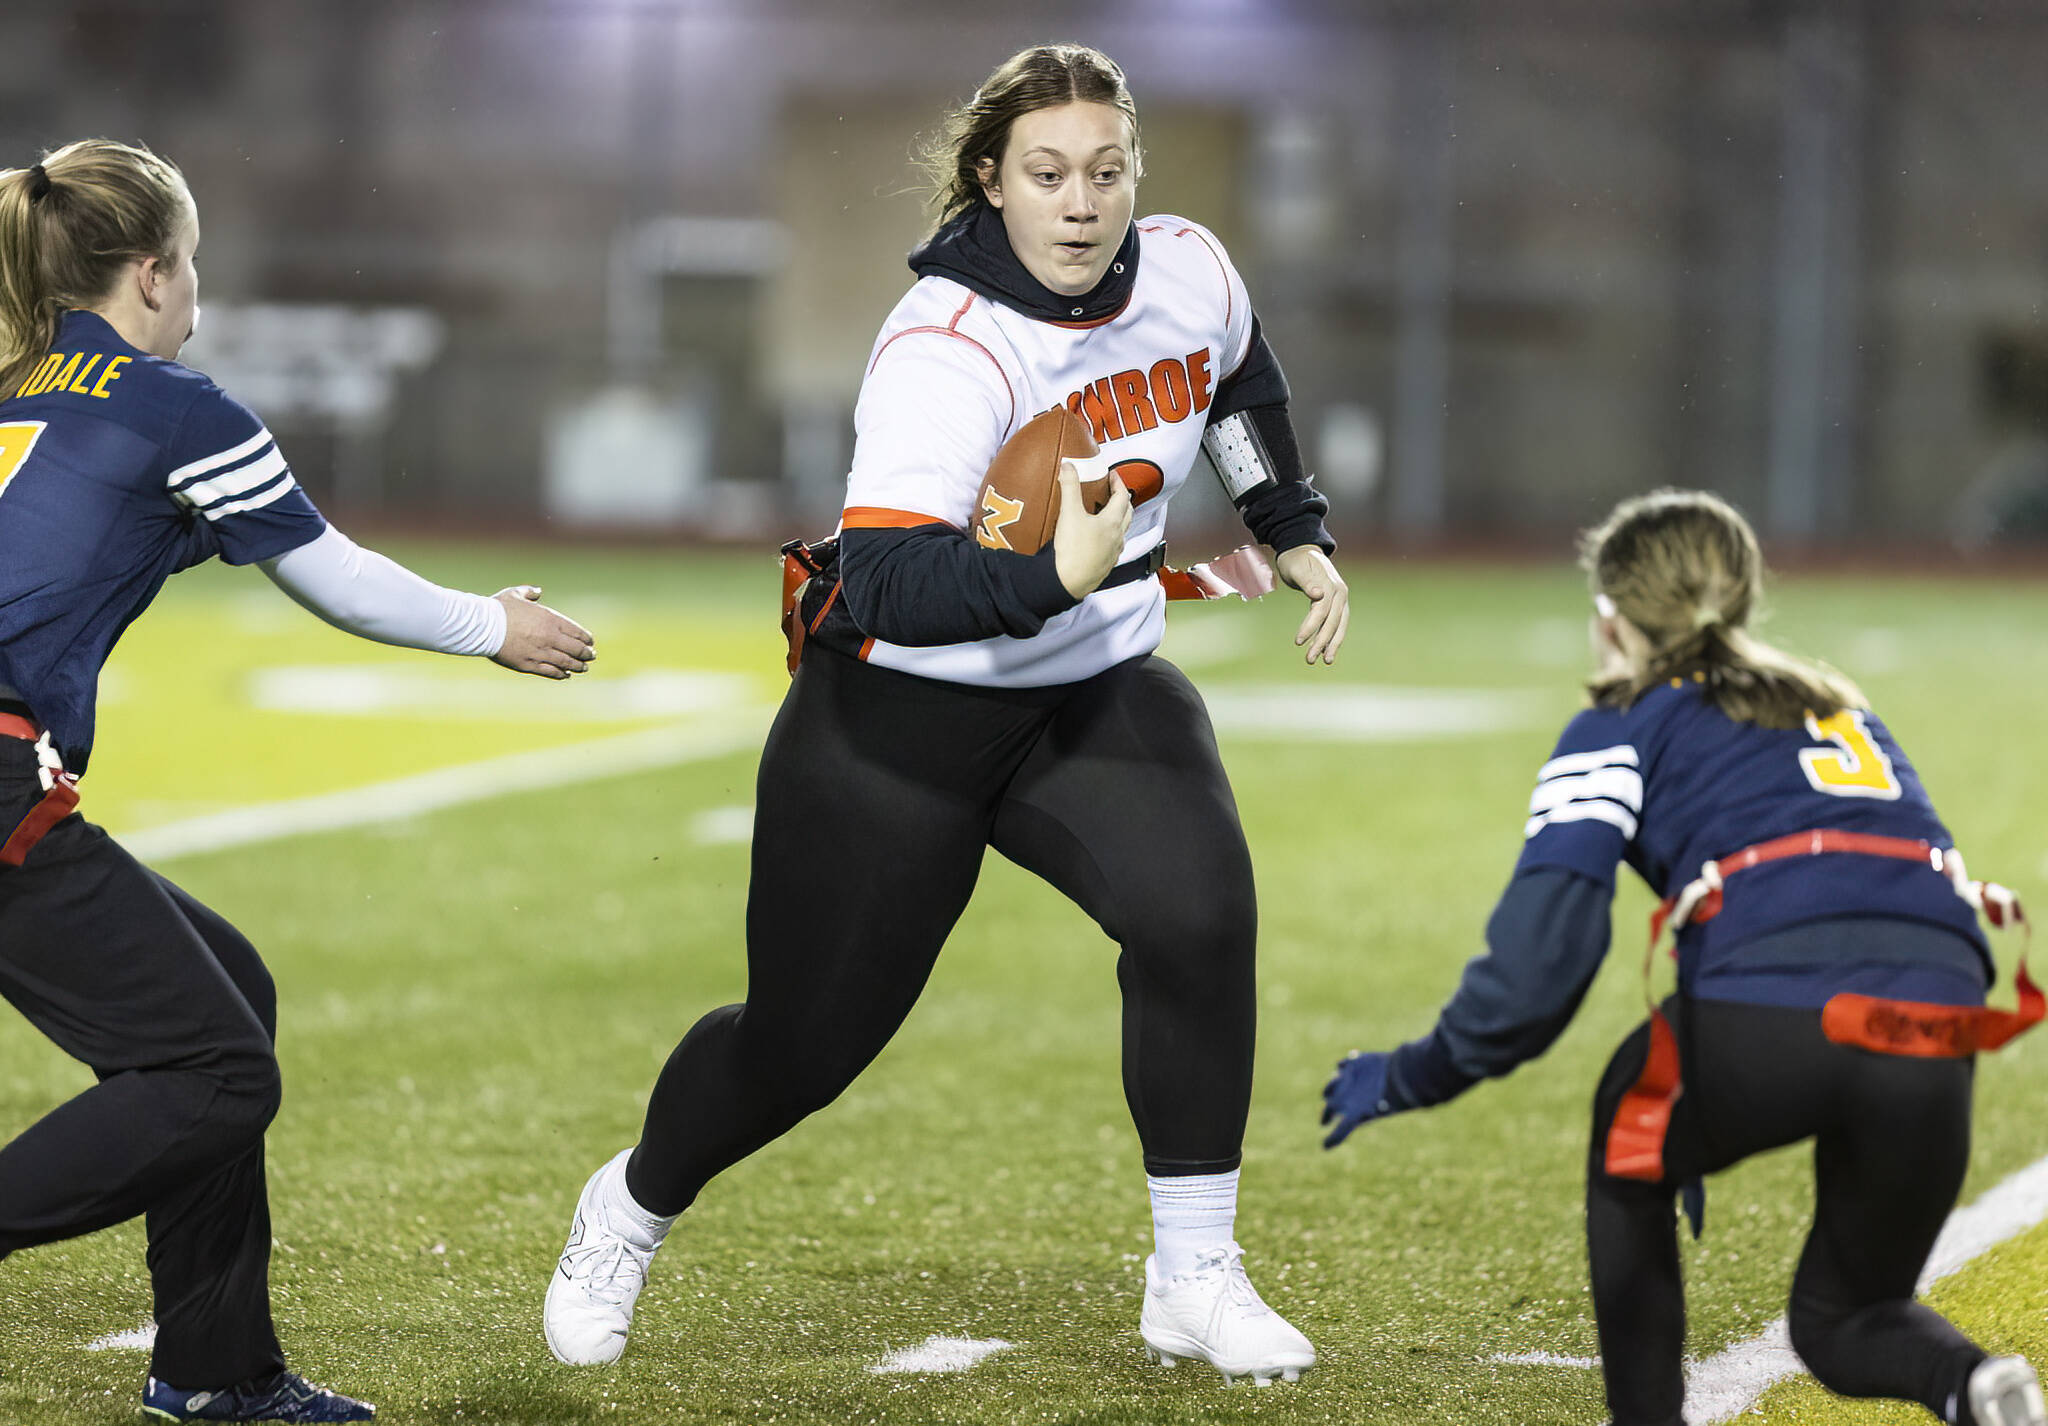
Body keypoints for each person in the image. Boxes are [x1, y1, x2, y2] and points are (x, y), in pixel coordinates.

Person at [545, 43, 1345, 1384]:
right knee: (802, 1047)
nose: (1081, 202)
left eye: (1106, 170)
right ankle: (626, 1205)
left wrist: (1290, 526)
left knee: (1199, 914)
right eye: (1047, 175)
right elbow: (895, 581)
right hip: (897, 723)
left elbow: (1242, 380)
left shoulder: (1193, 268)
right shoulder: (946, 342)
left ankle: (1192, 1272)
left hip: (1088, 692)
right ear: (994, 183)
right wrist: (1053, 572)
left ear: (1134, 174)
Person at [0, 140, 596, 1424]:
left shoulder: (12, 384)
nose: (196, 281)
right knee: (220, 1073)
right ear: (153, 273)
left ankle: (214, 1373)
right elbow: (333, 573)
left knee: (230, 998)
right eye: (194, 258)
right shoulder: (169, 406)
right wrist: (494, 626)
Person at [1320, 489, 2046, 1426]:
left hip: (1775, 1012)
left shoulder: (1620, 723)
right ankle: (1976, 1385)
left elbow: (1542, 968)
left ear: (1611, 622)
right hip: (1939, 1022)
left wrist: (1415, 1074)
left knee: (1628, 1129)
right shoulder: (1841, 709)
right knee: (1847, 1316)